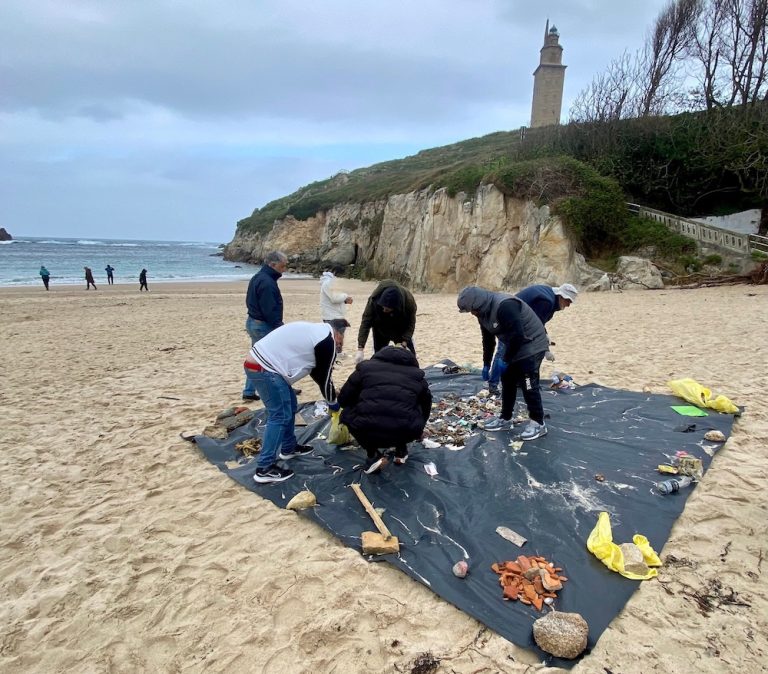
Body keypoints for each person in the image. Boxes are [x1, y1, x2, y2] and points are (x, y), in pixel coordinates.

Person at [244, 321, 342, 484]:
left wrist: (330, 397)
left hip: (261, 364)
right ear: (338, 333)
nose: (340, 345)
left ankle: (289, 448)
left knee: (290, 403)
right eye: (340, 341)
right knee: (279, 415)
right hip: (265, 368)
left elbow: (318, 374)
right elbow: (324, 378)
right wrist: (333, 405)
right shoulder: (327, 339)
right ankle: (264, 468)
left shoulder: (317, 332)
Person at [458, 286, 550, 441]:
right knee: (507, 379)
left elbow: (518, 335)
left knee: (528, 383)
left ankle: (538, 422)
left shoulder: (505, 306)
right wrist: (486, 363)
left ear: (479, 304)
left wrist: (505, 359)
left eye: (472, 310)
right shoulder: (483, 314)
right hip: (515, 344)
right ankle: (506, 419)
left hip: (532, 344)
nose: (472, 314)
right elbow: (488, 341)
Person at [339, 345, 432, 474]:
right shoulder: (417, 377)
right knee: (409, 410)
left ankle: (372, 454)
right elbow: (426, 405)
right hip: (405, 431)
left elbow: (343, 399)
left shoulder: (364, 369)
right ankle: (401, 449)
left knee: (347, 413)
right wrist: (419, 427)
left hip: (367, 429)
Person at [488, 283, 578, 395]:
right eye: (568, 301)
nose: (569, 304)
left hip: (514, 316)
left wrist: (545, 335)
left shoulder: (551, 298)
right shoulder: (547, 301)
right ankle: (493, 386)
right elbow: (534, 324)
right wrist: (545, 349)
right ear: (561, 296)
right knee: (503, 352)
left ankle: (519, 382)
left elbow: (537, 322)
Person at [242, 251, 288, 401]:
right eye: (282, 266)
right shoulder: (267, 282)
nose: (284, 269)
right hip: (263, 324)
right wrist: (279, 327)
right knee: (272, 357)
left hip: (254, 321)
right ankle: (282, 387)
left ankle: (249, 391)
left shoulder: (259, 277)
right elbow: (269, 308)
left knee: (257, 357)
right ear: (272, 264)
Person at [356, 280, 417, 363]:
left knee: (410, 358)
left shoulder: (409, 301)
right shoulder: (374, 300)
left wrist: (404, 342)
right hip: (380, 327)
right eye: (383, 307)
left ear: (395, 307)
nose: (384, 310)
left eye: (387, 309)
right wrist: (360, 348)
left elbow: (411, 324)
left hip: (400, 327)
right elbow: (366, 322)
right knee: (379, 357)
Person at [319, 266, 353, 351]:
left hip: (332, 315)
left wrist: (345, 301)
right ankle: (336, 354)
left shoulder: (329, 282)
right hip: (333, 316)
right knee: (337, 339)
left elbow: (333, 299)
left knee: (335, 338)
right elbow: (334, 298)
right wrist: (346, 297)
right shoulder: (329, 282)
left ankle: (336, 354)